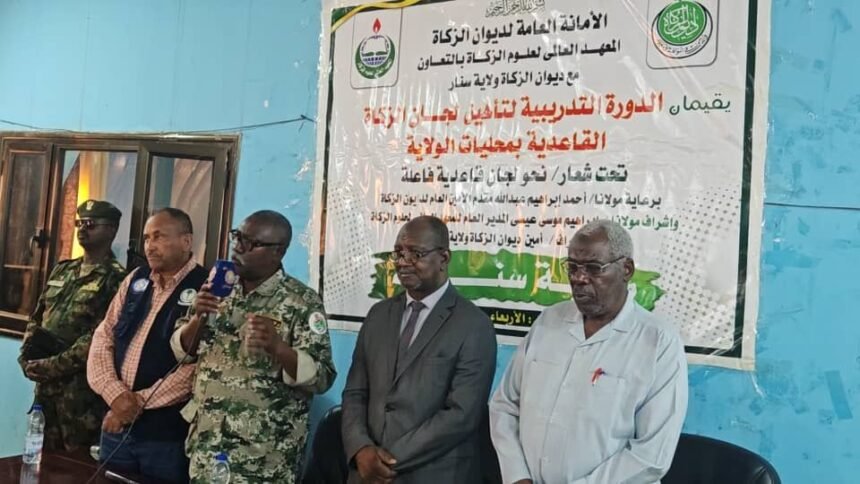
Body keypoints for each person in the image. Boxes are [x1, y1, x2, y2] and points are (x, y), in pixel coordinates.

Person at [490, 219, 688, 484]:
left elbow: (651, 455)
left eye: (594, 268)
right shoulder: (549, 322)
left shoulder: (658, 343)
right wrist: (517, 476)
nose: (579, 278)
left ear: (626, 269)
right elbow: (504, 405)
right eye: (572, 267)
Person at [172, 210, 336, 483]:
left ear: (278, 252)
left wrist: (278, 348)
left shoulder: (301, 302)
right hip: (208, 445)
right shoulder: (218, 287)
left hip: (262, 457)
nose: (238, 248)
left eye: (251, 243)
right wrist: (197, 318)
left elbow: (323, 377)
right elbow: (181, 352)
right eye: (237, 237)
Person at [341, 215, 497, 484]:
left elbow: (461, 414)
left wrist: (386, 460)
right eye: (399, 253)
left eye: (416, 254)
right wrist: (361, 449)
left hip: (431, 474)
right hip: (366, 473)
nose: (403, 262)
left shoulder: (474, 325)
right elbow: (355, 392)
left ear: (444, 258)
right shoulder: (379, 314)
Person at [87, 208, 207, 484]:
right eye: (146, 238)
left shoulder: (205, 288)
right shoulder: (136, 280)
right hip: (116, 424)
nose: (150, 246)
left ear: (186, 241)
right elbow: (103, 337)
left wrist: (135, 404)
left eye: (159, 237)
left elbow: (198, 366)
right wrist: (115, 395)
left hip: (164, 436)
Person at [18, 200, 126, 451]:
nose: (83, 229)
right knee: (39, 454)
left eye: (91, 224)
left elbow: (99, 337)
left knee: (75, 464)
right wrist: (26, 355)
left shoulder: (118, 279)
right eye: (80, 223)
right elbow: (37, 317)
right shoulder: (62, 270)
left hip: (79, 395)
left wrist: (52, 366)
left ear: (111, 229)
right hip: (45, 390)